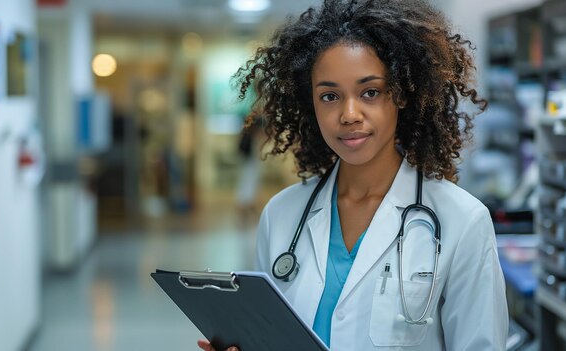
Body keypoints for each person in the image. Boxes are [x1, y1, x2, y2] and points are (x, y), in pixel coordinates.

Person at [198, 0, 508, 350]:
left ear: (402, 94)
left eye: (370, 92)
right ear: (309, 103)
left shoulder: (461, 221)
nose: (348, 114)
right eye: (329, 96)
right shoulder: (282, 215)